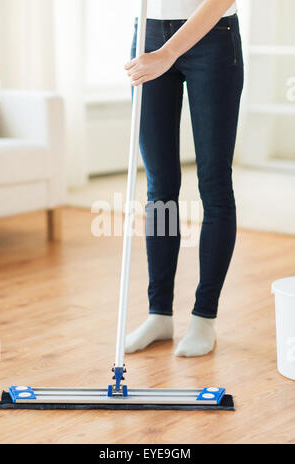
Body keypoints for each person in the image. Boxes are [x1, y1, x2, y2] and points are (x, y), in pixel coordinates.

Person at [124, 0, 243, 357]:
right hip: (148, 30)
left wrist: (169, 52)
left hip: (213, 36)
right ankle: (159, 313)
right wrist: (157, 50)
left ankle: (204, 317)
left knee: (214, 185)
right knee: (159, 190)